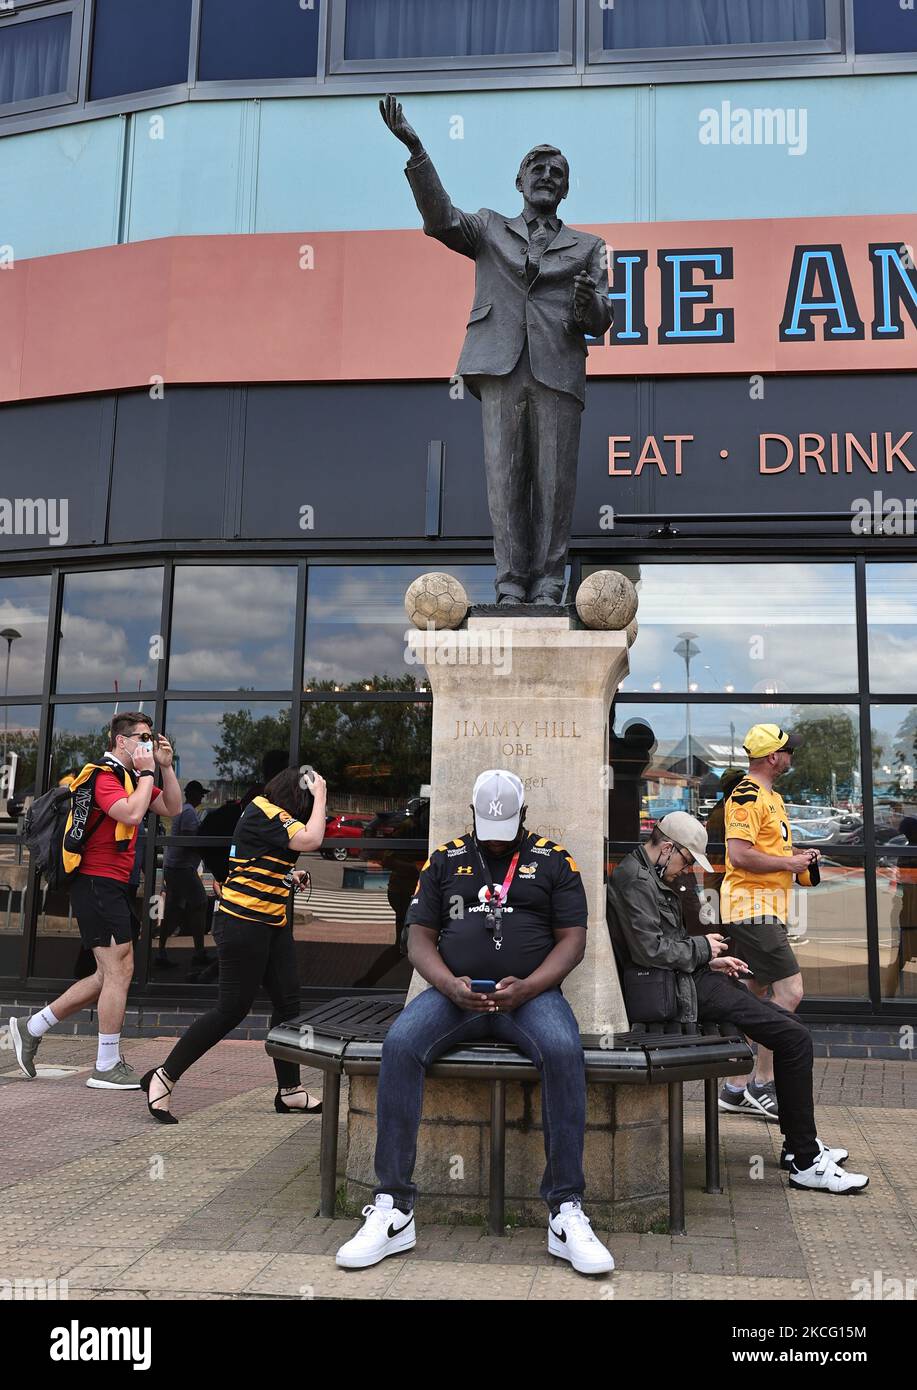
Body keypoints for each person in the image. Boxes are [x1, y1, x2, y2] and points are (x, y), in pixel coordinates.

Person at [336, 768, 615, 1276]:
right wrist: (447, 985)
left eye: (506, 831)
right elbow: (418, 935)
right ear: (471, 815)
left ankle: (565, 1211)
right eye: (487, 831)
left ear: (524, 816)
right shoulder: (444, 859)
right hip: (454, 995)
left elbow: (573, 938)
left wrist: (530, 986)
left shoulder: (555, 860)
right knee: (399, 1044)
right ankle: (394, 1209)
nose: (495, 843)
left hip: (530, 996)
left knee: (562, 1051)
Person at [380, 96, 613, 605]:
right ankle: (510, 585)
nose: (547, 174)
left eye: (558, 171)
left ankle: (550, 583)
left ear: (566, 187)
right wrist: (417, 151)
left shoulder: (590, 246)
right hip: (500, 366)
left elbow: (601, 320)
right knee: (506, 480)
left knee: (555, 484)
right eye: (538, 167)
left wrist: (586, 303)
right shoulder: (488, 228)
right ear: (519, 181)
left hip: (558, 370)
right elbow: (440, 220)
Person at [607, 813, 867, 1193]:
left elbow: (660, 947)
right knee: (794, 1039)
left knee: (792, 1033)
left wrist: (709, 957)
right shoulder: (635, 880)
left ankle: (801, 1151)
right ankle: (805, 1160)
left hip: (691, 980)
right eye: (684, 861)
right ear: (667, 848)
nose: (684, 871)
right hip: (684, 993)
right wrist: (702, 948)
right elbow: (649, 950)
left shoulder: (647, 873)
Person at [139, 765, 327, 1124]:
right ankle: (163, 1076)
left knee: (288, 1004)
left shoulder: (271, 816)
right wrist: (322, 796)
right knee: (231, 1009)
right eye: (306, 799)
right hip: (243, 923)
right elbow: (312, 840)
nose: (308, 809)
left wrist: (290, 874)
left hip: (272, 923)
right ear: (295, 795)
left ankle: (290, 1091)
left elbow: (255, 860)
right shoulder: (264, 809)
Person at [10, 713, 183, 1089]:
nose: (149, 743)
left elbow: (172, 809)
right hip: (95, 883)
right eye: (143, 737)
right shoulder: (105, 777)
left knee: (109, 973)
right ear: (122, 742)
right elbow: (133, 814)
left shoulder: (133, 778)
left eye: (151, 738)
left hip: (114, 885)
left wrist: (165, 769)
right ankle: (105, 1065)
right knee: (120, 971)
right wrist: (149, 771)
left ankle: (30, 1027)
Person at [717, 725, 819, 1122]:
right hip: (751, 909)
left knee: (752, 995)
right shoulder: (745, 795)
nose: (791, 757)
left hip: (763, 910)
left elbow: (766, 850)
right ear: (772, 757)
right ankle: (759, 1082)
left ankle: (734, 1088)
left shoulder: (771, 797)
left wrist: (797, 858)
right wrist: (788, 863)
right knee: (790, 992)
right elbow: (738, 856)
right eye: (787, 751)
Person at [156, 779, 209, 970]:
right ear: (193, 794)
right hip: (182, 867)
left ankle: (161, 950)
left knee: (173, 910)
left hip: (175, 867)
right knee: (201, 902)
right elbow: (189, 841)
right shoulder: (188, 813)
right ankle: (199, 951)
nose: (202, 797)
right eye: (200, 793)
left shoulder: (182, 810)